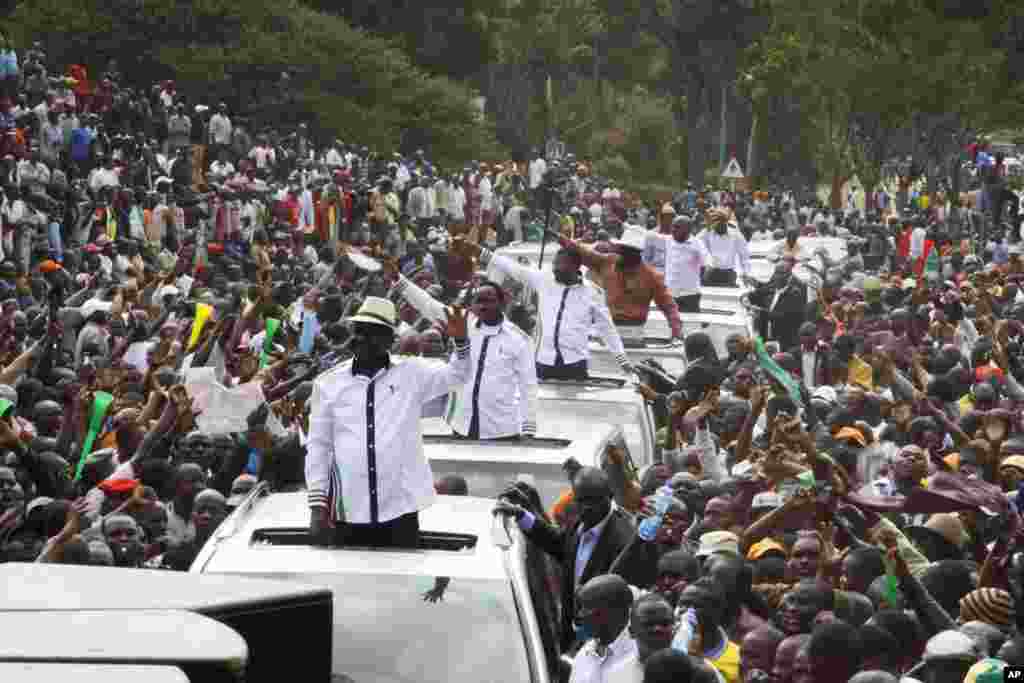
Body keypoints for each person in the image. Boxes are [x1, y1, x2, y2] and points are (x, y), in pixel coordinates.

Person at [306, 296, 470, 548]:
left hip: (400, 509)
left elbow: (457, 374)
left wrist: (460, 341)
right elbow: (318, 446)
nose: (360, 338)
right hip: (348, 509)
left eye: (370, 333)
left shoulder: (412, 373)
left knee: (402, 583)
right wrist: (317, 505)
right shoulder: (328, 383)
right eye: (358, 330)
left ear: (388, 340)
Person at [455, 234, 631, 380]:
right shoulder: (543, 280)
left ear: (575, 267)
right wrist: (477, 250)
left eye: (560, 265)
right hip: (542, 361)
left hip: (575, 364)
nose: (555, 268)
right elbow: (510, 267)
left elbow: (606, 328)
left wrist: (622, 360)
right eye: (554, 264)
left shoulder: (593, 293)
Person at [494, 468, 634, 650]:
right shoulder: (581, 524)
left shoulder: (623, 538)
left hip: (601, 640)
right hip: (571, 636)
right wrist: (522, 515)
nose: (584, 508)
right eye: (580, 501)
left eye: (591, 501)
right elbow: (559, 544)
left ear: (609, 496)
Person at [391, 268, 538, 439]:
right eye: (479, 301)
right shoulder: (463, 322)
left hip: (501, 427)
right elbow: (428, 304)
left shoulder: (520, 340)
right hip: (462, 424)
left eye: (489, 301)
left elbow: (528, 385)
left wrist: (529, 428)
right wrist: (398, 279)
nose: (483, 306)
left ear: (501, 303)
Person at [561, 225, 683, 345]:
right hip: (607, 331)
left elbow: (669, 306)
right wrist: (563, 240)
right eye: (620, 248)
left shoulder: (652, 276)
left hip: (634, 335)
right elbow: (583, 252)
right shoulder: (608, 262)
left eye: (624, 250)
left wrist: (676, 330)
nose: (619, 252)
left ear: (637, 253)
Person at [568, 574, 637, 683]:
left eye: (587, 608)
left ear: (610, 612)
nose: (580, 615)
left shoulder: (639, 655)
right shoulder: (583, 656)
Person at [645, 215, 710, 313]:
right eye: (673, 226)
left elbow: (707, 263)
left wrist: (700, 277)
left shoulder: (697, 244)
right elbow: (647, 235)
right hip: (670, 295)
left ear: (688, 229)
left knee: (690, 326)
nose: (673, 229)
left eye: (677, 227)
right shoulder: (667, 240)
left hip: (690, 296)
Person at [698, 208, 750, 287]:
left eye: (718, 222)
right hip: (711, 272)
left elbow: (744, 255)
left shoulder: (736, 235)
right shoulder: (708, 233)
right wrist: (706, 229)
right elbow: (696, 242)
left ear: (725, 222)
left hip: (729, 274)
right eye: (713, 223)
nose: (714, 225)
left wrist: (746, 273)